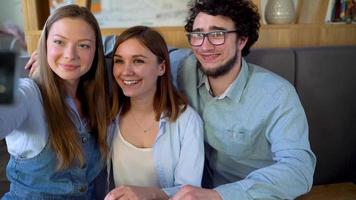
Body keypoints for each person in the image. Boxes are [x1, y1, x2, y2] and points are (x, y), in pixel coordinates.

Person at [170, 0, 316, 199]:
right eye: (197, 35)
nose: (204, 46)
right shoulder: (183, 68)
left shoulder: (277, 94)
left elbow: (298, 170)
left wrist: (219, 196)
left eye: (217, 34)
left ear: (242, 40)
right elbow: (140, 48)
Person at [0, 4, 113, 199]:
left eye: (83, 45)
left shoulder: (97, 97)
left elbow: (135, 45)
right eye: (59, 42)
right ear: (44, 45)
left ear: (96, 51)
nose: (70, 54)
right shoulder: (28, 93)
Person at [103, 26, 204, 200]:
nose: (126, 71)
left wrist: (149, 194)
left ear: (162, 68)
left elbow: (189, 192)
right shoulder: (108, 116)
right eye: (119, 61)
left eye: (138, 61)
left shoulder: (187, 121)